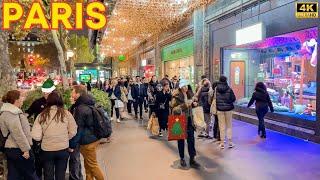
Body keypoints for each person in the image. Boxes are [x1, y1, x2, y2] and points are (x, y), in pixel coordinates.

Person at [32, 92, 77, 180]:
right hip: (63, 148)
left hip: (47, 149)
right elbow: (73, 131)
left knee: (48, 175)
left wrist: (44, 138)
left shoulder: (42, 115)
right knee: (61, 175)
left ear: (48, 101)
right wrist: (65, 138)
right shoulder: (66, 114)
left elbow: (36, 136)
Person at [0, 90, 38, 180]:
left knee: (14, 175)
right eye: (21, 97)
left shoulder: (8, 111)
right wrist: (25, 149)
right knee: (30, 174)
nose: (23, 99)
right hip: (18, 149)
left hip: (12, 148)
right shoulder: (11, 113)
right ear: (16, 100)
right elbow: (17, 133)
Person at [70, 85, 105, 180]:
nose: (71, 94)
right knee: (88, 166)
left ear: (78, 94)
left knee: (92, 165)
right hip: (92, 137)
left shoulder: (80, 108)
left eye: (73, 92)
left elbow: (78, 128)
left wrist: (72, 145)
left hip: (87, 141)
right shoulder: (88, 103)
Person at [26, 78, 56, 179]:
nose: (45, 94)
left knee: (50, 163)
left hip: (52, 137)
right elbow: (28, 113)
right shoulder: (38, 102)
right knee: (38, 161)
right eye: (44, 92)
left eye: (47, 92)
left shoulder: (57, 103)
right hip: (38, 137)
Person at [171, 79, 201, 169]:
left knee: (191, 140)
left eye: (187, 86)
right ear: (180, 87)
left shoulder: (190, 94)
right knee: (181, 141)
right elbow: (174, 109)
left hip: (190, 121)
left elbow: (194, 104)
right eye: (183, 86)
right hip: (180, 121)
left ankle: (192, 158)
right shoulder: (176, 96)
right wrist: (185, 105)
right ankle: (182, 158)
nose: (185, 88)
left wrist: (195, 104)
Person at [216, 76, 236, 149]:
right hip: (228, 109)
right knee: (229, 126)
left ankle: (222, 143)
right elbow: (233, 98)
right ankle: (230, 142)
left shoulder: (216, 89)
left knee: (221, 126)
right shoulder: (229, 88)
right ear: (226, 80)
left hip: (219, 109)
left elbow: (213, 98)